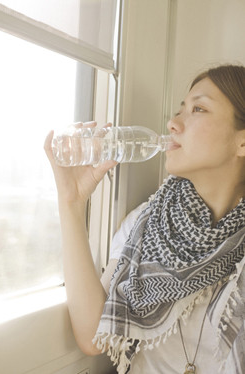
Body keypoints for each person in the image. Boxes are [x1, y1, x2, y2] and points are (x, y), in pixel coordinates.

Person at [44, 64, 245, 374]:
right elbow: (94, 337)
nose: (173, 123)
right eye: (181, 109)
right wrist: (71, 201)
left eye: (198, 109)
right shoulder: (147, 224)